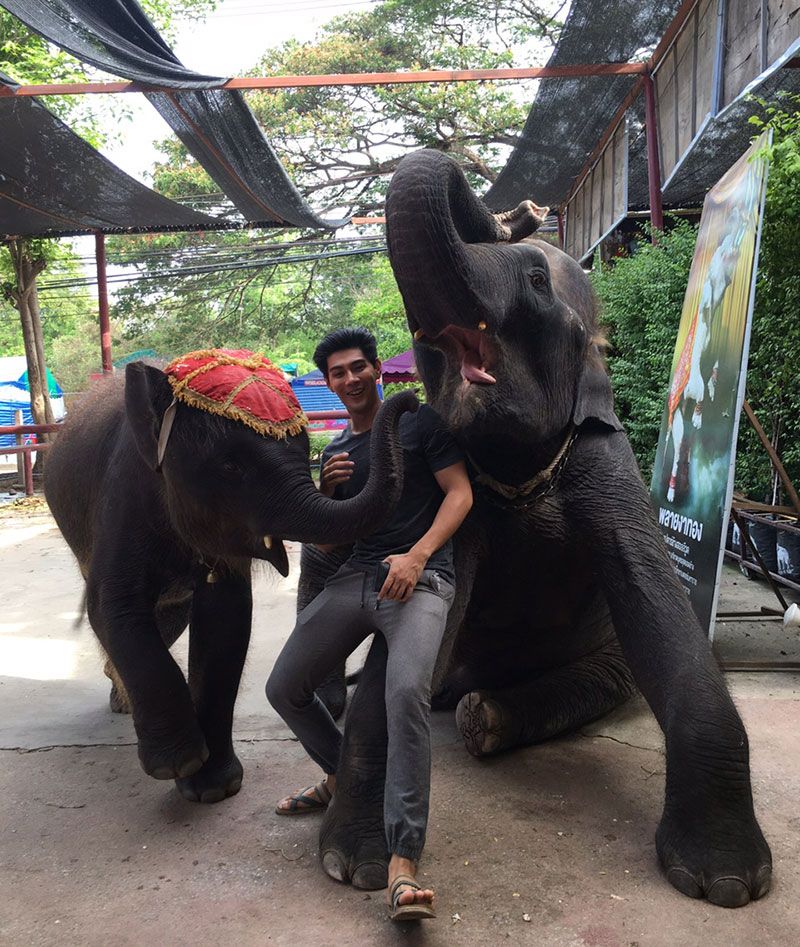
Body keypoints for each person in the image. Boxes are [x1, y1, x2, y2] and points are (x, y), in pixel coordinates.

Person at [266, 327, 473, 921]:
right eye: (339, 372)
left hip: (420, 581)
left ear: (377, 370)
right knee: (284, 687)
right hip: (357, 577)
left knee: (405, 694)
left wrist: (419, 556)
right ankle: (338, 773)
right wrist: (326, 493)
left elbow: (460, 494)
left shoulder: (420, 424)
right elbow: (330, 541)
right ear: (328, 383)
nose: (350, 378)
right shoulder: (336, 450)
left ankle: (403, 861)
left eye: (358, 367)